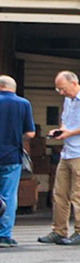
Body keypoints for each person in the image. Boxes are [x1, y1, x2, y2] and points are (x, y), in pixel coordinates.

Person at [42, 69, 80, 247]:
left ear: (74, 83)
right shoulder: (68, 101)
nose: (62, 93)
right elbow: (66, 122)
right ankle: (59, 230)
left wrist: (70, 132)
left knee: (78, 194)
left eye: (63, 88)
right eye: (58, 90)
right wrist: (60, 130)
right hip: (68, 151)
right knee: (59, 193)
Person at [0, 75, 34, 247]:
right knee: (8, 196)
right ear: (13, 87)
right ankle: (4, 235)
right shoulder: (23, 104)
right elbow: (30, 133)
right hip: (12, 155)